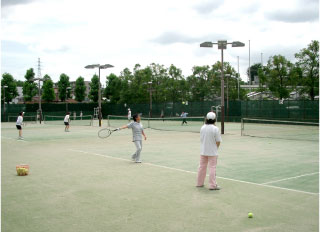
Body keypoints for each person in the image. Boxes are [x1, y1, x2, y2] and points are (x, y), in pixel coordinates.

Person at [197, 112, 222, 190]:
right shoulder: (215, 129)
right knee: (212, 168)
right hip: (212, 152)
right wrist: (215, 148)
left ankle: (199, 183)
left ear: (206, 119)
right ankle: (212, 185)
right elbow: (218, 141)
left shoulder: (202, 127)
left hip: (203, 151)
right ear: (215, 119)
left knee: (201, 167)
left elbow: (201, 139)